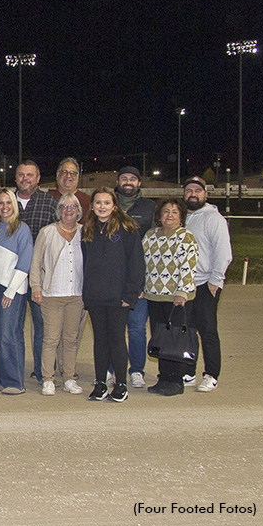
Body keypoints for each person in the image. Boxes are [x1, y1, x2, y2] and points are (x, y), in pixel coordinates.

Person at [81, 188, 144, 402]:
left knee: (117, 339)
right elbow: (85, 264)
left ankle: (121, 384)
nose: (102, 206)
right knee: (100, 340)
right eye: (98, 202)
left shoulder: (127, 229)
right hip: (95, 296)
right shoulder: (88, 229)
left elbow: (136, 264)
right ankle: (100, 382)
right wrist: (87, 293)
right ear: (92, 206)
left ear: (114, 206)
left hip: (119, 296)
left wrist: (130, 293)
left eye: (106, 203)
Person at [29, 193, 85, 396]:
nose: (69, 210)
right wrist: (36, 286)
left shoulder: (84, 232)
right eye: (64, 206)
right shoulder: (47, 232)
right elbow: (35, 261)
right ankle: (48, 379)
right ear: (59, 209)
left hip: (76, 294)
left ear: (78, 211)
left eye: (73, 206)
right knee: (51, 338)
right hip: (51, 294)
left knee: (70, 339)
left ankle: (69, 377)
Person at [143, 197, 199, 396]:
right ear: (159, 215)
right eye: (166, 211)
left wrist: (182, 291)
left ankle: (175, 380)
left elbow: (188, 265)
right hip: (154, 296)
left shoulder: (186, 237)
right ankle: (163, 377)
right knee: (160, 338)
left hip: (176, 297)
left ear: (181, 217)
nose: (170, 215)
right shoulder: (150, 236)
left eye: (175, 212)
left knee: (175, 339)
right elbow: (143, 263)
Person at [0, 188, 33, 395]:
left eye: (8, 203)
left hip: (13, 289)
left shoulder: (22, 229)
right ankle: (2, 379)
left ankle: (15, 382)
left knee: (9, 335)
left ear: (14, 205)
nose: (4, 207)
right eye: (0, 203)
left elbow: (25, 262)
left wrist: (10, 291)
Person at [183, 176, 232, 392]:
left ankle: (211, 374)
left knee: (208, 330)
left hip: (206, 284)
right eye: (189, 190)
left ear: (205, 194)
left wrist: (216, 279)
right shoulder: (182, 216)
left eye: (197, 190)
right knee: (187, 331)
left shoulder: (214, 218)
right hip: (184, 285)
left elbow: (223, 252)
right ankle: (189, 371)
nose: (193, 194)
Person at [113, 166, 156, 388]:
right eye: (124, 178)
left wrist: (141, 282)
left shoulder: (149, 207)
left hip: (139, 279)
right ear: (118, 181)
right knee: (113, 328)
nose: (128, 182)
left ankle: (136, 370)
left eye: (132, 179)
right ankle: (112, 368)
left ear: (139, 183)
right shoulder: (108, 204)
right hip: (112, 279)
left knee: (137, 328)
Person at [13, 160, 56, 384]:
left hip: (41, 277)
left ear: (38, 178)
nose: (25, 179)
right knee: (13, 327)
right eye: (21, 175)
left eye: (30, 175)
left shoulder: (50, 203)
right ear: (16, 177)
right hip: (11, 277)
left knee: (43, 327)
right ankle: (15, 372)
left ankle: (43, 372)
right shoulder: (6, 202)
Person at [48, 157, 92, 223]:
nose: (68, 176)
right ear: (57, 175)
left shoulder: (88, 201)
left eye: (72, 173)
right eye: (64, 172)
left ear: (78, 177)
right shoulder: (47, 199)